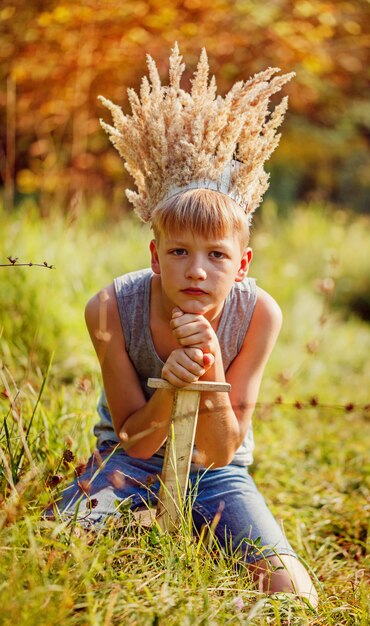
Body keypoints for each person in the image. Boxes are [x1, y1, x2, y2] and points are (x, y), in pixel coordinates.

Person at [52, 44, 318, 607]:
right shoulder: (110, 308)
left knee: (293, 598)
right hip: (127, 463)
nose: (196, 270)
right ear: (154, 255)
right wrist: (171, 389)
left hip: (216, 474)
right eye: (178, 251)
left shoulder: (258, 313)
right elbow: (133, 435)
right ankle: (134, 522)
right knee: (51, 553)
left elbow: (221, 452)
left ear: (241, 264)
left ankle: (203, 525)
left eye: (217, 256)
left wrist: (211, 373)